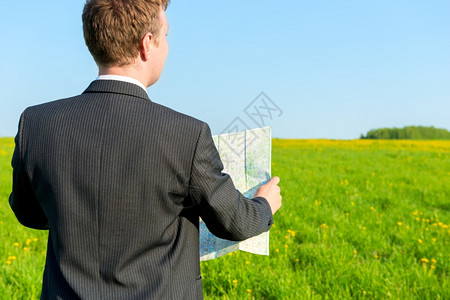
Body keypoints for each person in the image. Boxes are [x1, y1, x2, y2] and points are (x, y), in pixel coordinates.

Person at [9, 0, 282, 299]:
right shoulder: (187, 135)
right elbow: (236, 222)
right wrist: (264, 204)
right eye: (165, 37)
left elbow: (30, 214)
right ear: (147, 44)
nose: (167, 47)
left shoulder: (35, 123)